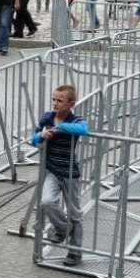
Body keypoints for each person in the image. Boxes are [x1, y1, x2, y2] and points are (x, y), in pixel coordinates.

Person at [31, 85, 88, 267]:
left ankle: (75, 252)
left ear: (71, 104)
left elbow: (83, 129)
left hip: (70, 172)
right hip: (52, 170)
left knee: (75, 213)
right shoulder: (47, 117)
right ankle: (63, 228)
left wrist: (60, 128)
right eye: (53, 99)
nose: (55, 103)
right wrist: (42, 135)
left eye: (59, 100)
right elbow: (33, 139)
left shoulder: (75, 119)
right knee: (46, 201)